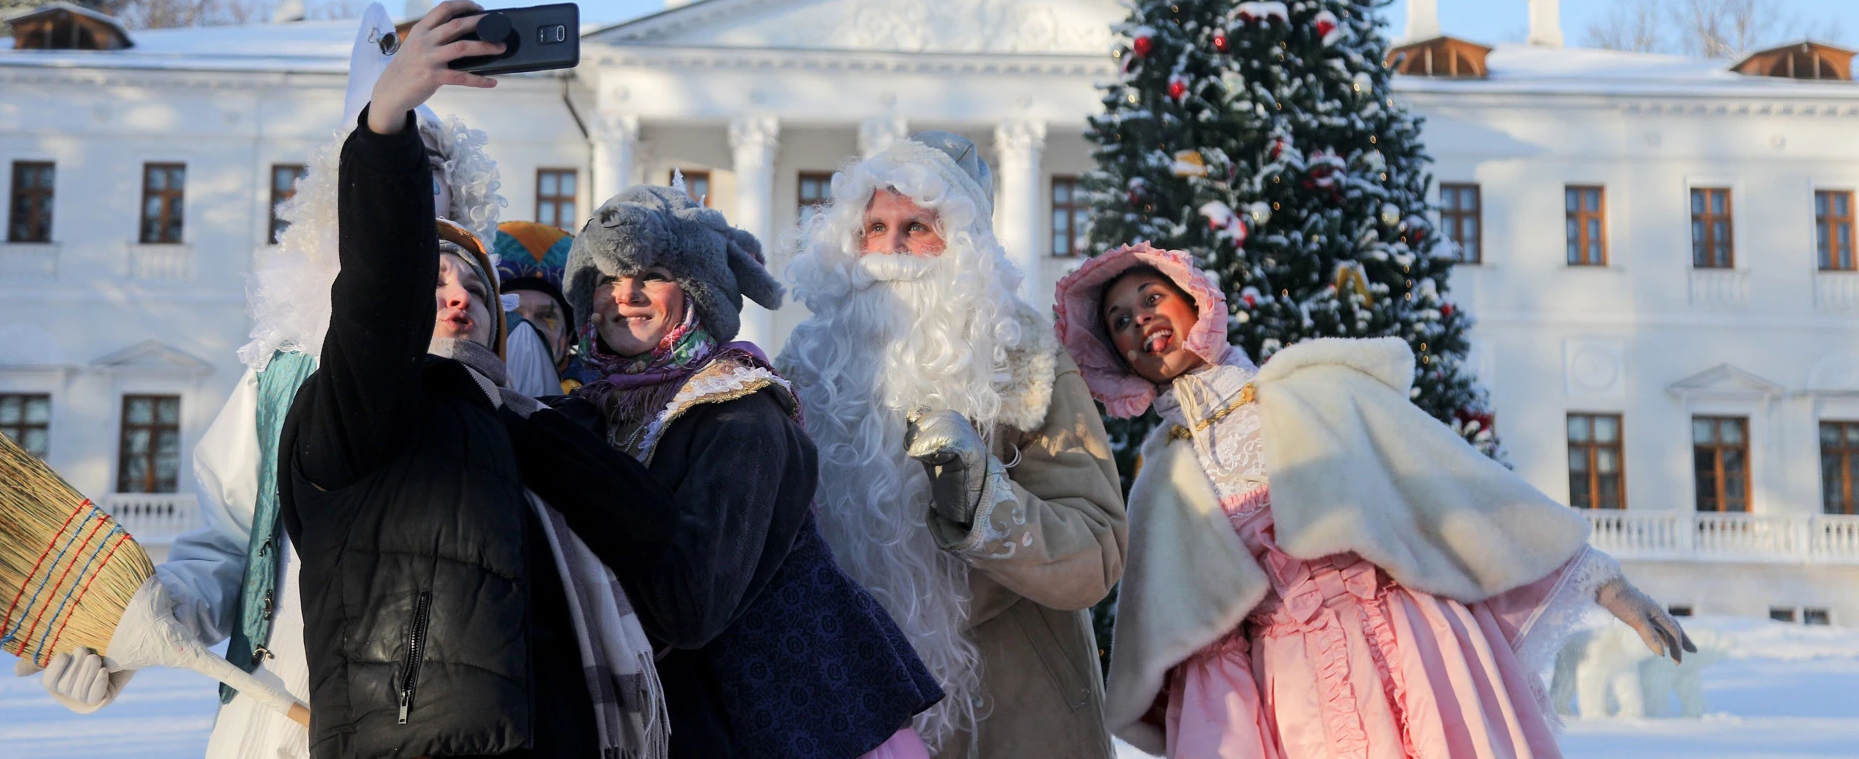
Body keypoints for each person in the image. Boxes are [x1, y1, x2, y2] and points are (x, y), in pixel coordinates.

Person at [21, 3, 507, 759]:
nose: (420, 192)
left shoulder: (506, 358)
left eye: (435, 173)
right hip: (280, 715)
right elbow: (226, 543)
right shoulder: (282, 371)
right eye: (395, 161)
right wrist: (132, 630)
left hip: (433, 723)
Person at [1053, 241, 1696, 759]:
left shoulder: (1313, 390)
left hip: (1410, 653)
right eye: (1119, 321)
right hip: (1287, 693)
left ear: (1197, 304)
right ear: (1118, 359)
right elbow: (1180, 634)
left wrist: (1607, 587)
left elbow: (1455, 487)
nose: (1139, 321)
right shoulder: (1162, 476)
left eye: (1151, 298)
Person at [279, 0, 676, 759]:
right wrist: (385, 123)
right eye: (432, 286)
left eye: (472, 283)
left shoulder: (526, 430)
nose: (456, 294)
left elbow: (658, 542)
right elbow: (374, 307)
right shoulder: (361, 413)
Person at [777, 132, 1128, 759]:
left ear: (962, 248)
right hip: (851, 713)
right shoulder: (806, 370)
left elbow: (1096, 554)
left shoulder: (1026, 360)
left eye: (917, 228)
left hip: (1013, 714)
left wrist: (981, 498)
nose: (888, 250)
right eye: (874, 227)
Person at [561, 184, 942, 759]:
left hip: (801, 721)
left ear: (696, 291)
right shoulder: (600, 410)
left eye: (652, 274)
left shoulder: (740, 412)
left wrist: (582, 472)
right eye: (608, 279)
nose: (627, 295)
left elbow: (692, 607)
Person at [492, 220, 581, 396]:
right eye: (511, 316)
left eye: (545, 316)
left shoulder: (599, 402)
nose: (527, 327)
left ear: (569, 336)